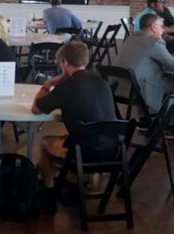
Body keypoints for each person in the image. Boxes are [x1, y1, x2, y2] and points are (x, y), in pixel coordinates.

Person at [31, 41, 118, 210]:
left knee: (44, 142)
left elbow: (36, 109)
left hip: (84, 152)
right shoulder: (102, 82)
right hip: (112, 149)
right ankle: (79, 184)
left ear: (64, 62)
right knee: (79, 136)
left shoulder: (67, 86)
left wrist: (48, 85)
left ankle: (49, 193)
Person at [114, 13, 174, 139]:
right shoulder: (155, 42)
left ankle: (145, 120)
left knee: (149, 79)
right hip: (139, 89)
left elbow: (146, 60)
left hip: (120, 88)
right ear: (153, 27)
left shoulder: (131, 38)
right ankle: (172, 127)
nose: (163, 30)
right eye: (161, 26)